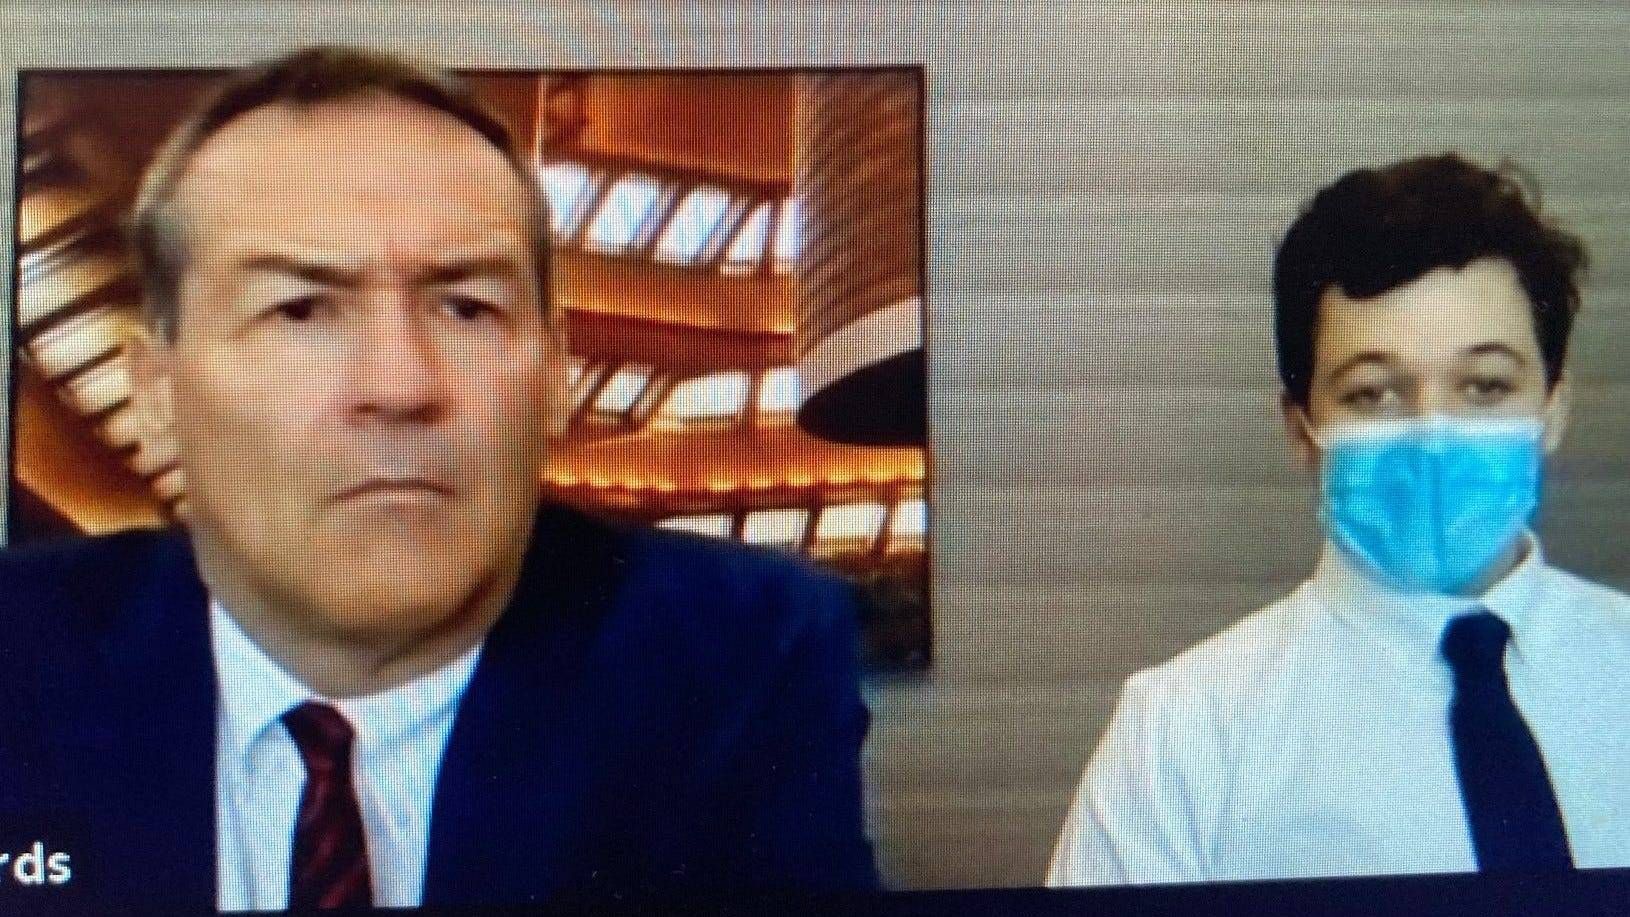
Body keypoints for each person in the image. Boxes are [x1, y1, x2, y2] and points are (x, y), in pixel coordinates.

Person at [0, 46, 877, 910]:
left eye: (466, 307)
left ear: (555, 380)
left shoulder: (741, 658)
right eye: (299, 309)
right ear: (157, 394)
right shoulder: (19, 650)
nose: (400, 385)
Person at [1048, 153, 1630, 885]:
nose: (1432, 434)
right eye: (1373, 393)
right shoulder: (1180, 734)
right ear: (1302, 428)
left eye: (1485, 385)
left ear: (1554, 407)